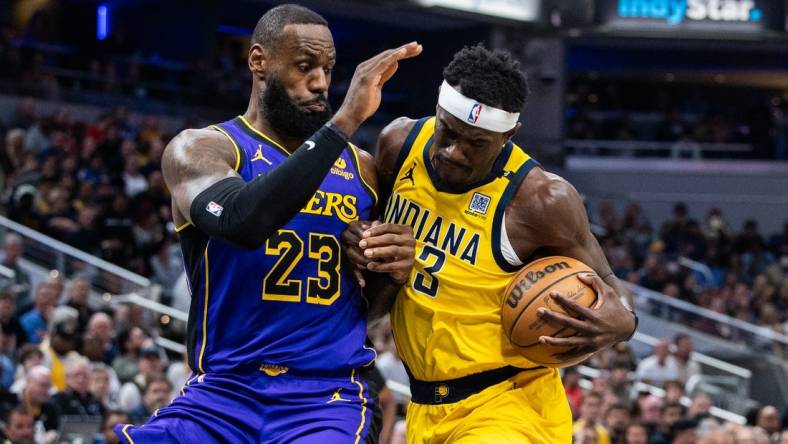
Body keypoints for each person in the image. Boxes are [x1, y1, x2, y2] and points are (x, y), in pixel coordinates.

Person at [115, 4, 420, 443]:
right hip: (222, 391)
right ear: (258, 61)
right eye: (304, 66)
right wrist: (345, 120)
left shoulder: (365, 173)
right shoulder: (203, 150)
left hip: (323, 397)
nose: (319, 82)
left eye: (328, 68)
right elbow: (243, 221)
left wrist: (391, 271)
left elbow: (362, 309)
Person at [343, 45, 637, 442]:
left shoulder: (541, 200)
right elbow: (373, 303)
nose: (454, 152)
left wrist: (622, 321)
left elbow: (607, 283)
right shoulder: (399, 144)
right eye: (447, 131)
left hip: (510, 405)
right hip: (426, 405)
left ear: (508, 136)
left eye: (476, 143)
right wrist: (367, 250)